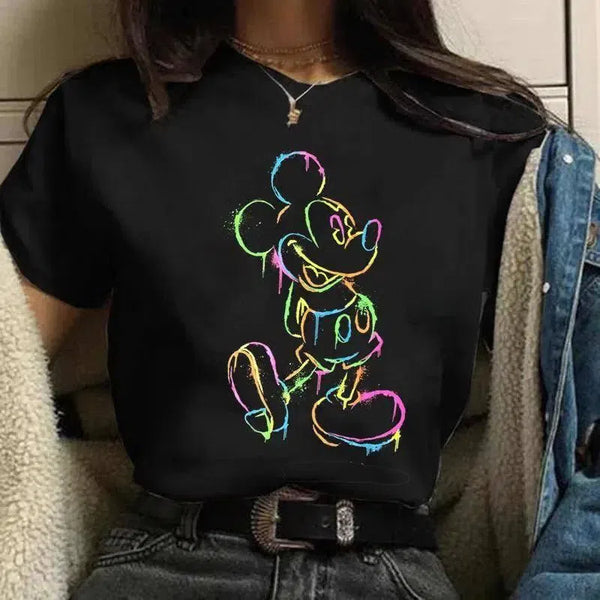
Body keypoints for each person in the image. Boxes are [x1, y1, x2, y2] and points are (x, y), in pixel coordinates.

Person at [0, 1, 552, 598]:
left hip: (392, 566)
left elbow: (567, 402)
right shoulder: (106, 114)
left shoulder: (487, 131)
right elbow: (11, 365)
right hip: (170, 565)